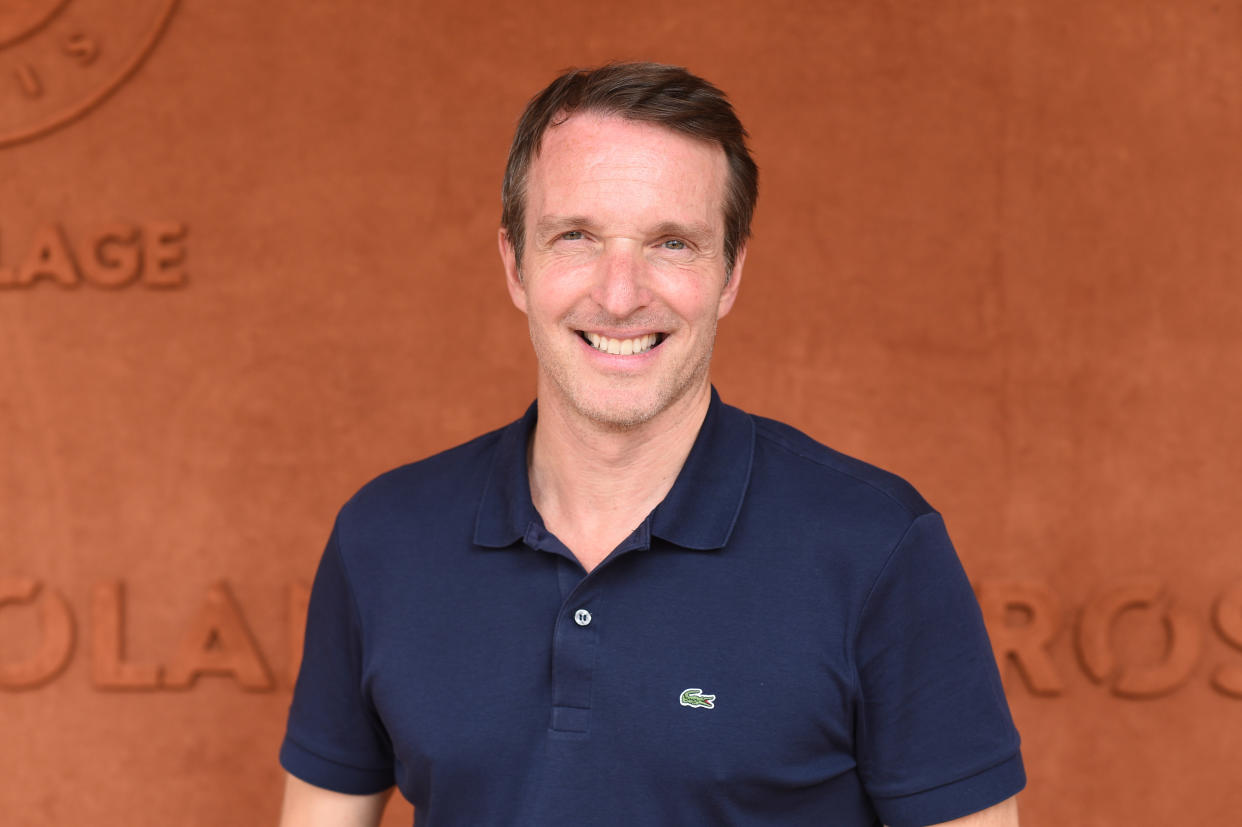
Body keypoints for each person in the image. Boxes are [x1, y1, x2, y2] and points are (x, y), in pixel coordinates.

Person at [277, 62, 1024, 827]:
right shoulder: (384, 538)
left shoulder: (876, 547)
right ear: (515, 264)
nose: (622, 293)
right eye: (576, 236)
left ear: (730, 272)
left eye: (672, 243)